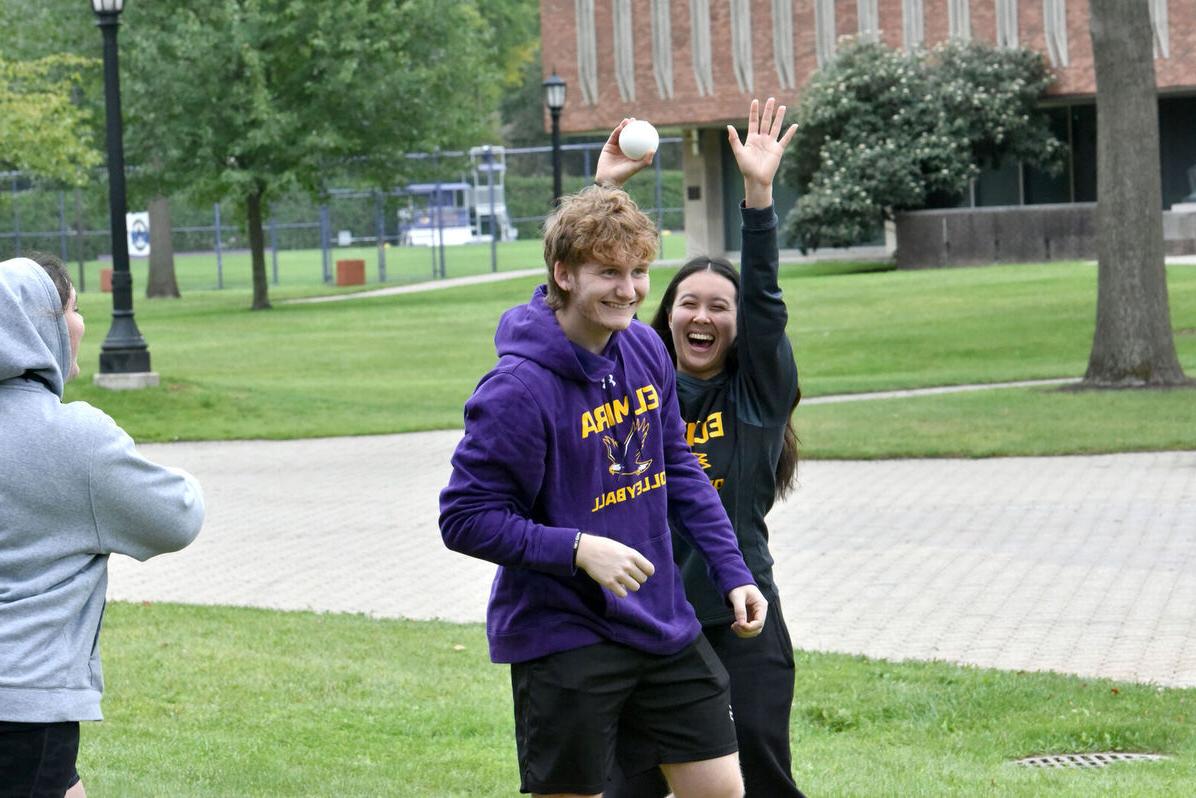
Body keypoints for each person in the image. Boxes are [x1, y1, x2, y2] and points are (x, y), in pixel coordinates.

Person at [439, 163, 770, 796]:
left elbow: (679, 467)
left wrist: (734, 572)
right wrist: (576, 549)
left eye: (638, 272)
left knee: (721, 788)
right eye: (609, 273)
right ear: (564, 275)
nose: (629, 290)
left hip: (661, 620)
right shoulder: (516, 392)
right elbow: (464, 518)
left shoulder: (646, 348)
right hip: (565, 635)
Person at [603, 98, 806, 797]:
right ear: (667, 315)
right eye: (689, 302)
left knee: (756, 772)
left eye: (720, 306)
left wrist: (758, 195)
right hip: (646, 619)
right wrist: (607, 193)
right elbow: (583, 304)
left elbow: (767, 304)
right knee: (632, 784)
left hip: (739, 619)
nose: (702, 315)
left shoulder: (757, 398)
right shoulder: (631, 383)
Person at [0, 254, 205, 798]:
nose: (82, 322)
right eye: (73, 308)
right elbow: (176, 517)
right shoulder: (75, 438)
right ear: (38, 325)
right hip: (23, 700)